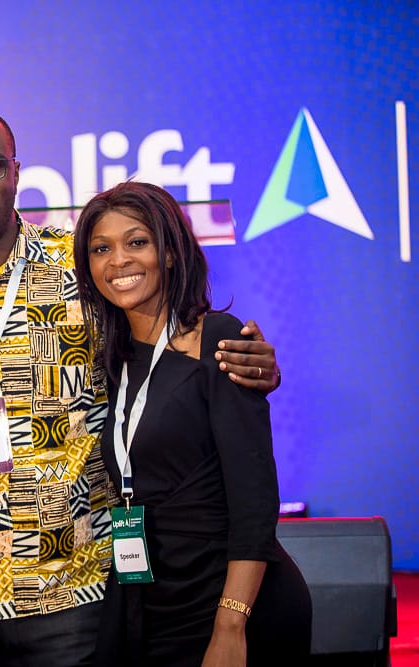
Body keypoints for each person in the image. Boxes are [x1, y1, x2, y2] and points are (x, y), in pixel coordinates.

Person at [0, 105, 281, 666]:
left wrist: (248, 363)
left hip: (75, 591)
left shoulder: (81, 266)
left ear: (16, 173)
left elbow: (171, 347)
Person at [73, 180, 311, 666]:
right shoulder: (115, 357)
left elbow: (255, 497)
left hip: (229, 602)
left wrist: (230, 624)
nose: (118, 260)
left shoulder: (220, 341)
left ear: (172, 253)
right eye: (101, 248)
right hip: (153, 596)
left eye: (137, 242)